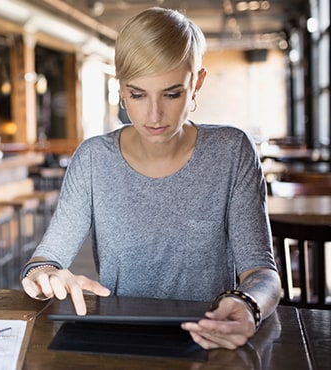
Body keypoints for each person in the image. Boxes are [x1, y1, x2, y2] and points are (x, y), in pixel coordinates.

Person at [20, 7, 282, 350]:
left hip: (210, 338)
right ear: (121, 89)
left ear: (196, 84)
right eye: (137, 94)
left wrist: (249, 305)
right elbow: (45, 260)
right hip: (119, 339)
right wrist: (44, 276)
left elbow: (261, 272)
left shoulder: (232, 152)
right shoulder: (94, 159)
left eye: (172, 94)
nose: (154, 115)